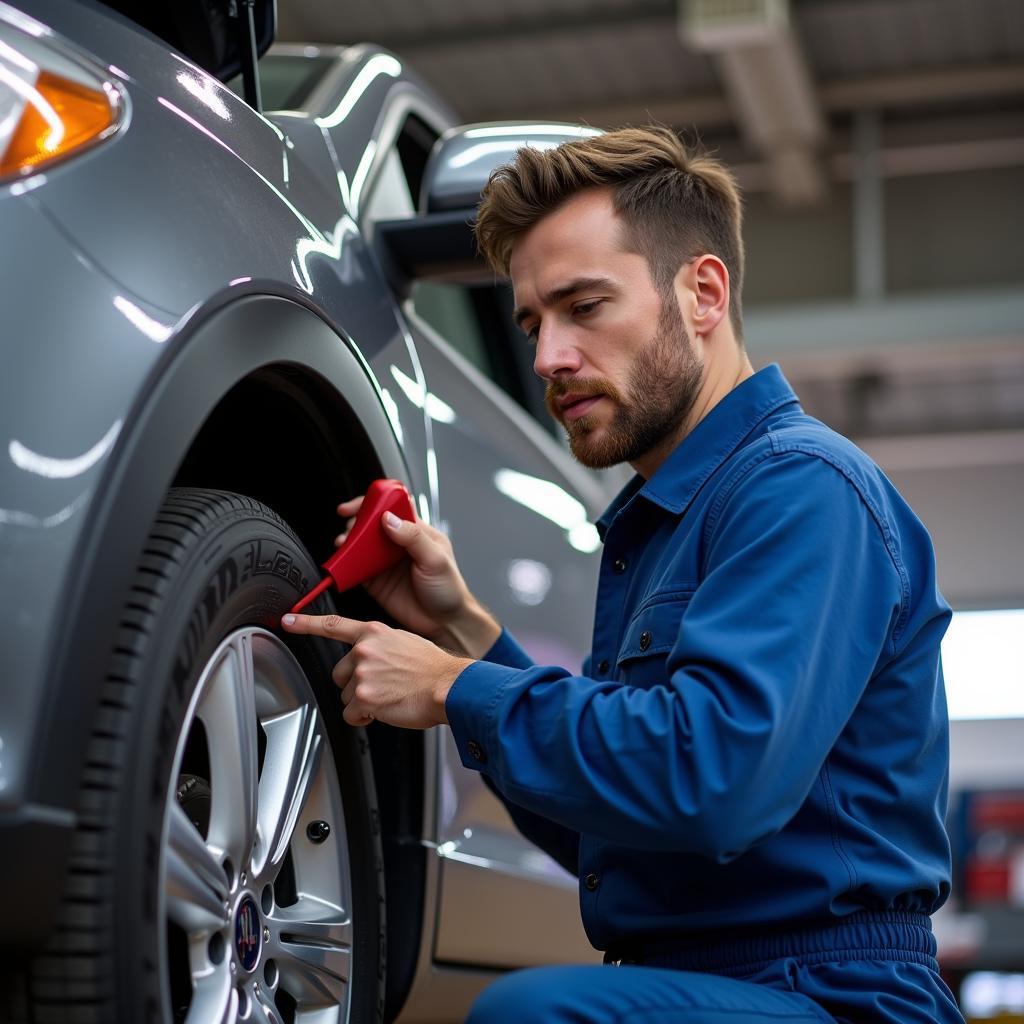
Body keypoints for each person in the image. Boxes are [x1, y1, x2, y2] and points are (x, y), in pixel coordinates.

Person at [283, 126, 964, 1023]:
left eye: (584, 307)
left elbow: (712, 780)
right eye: (533, 323)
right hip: (721, 984)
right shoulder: (665, 525)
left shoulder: (800, 488)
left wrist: (457, 688)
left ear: (703, 293)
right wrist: (467, 634)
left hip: (837, 996)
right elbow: (609, 828)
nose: (546, 360)